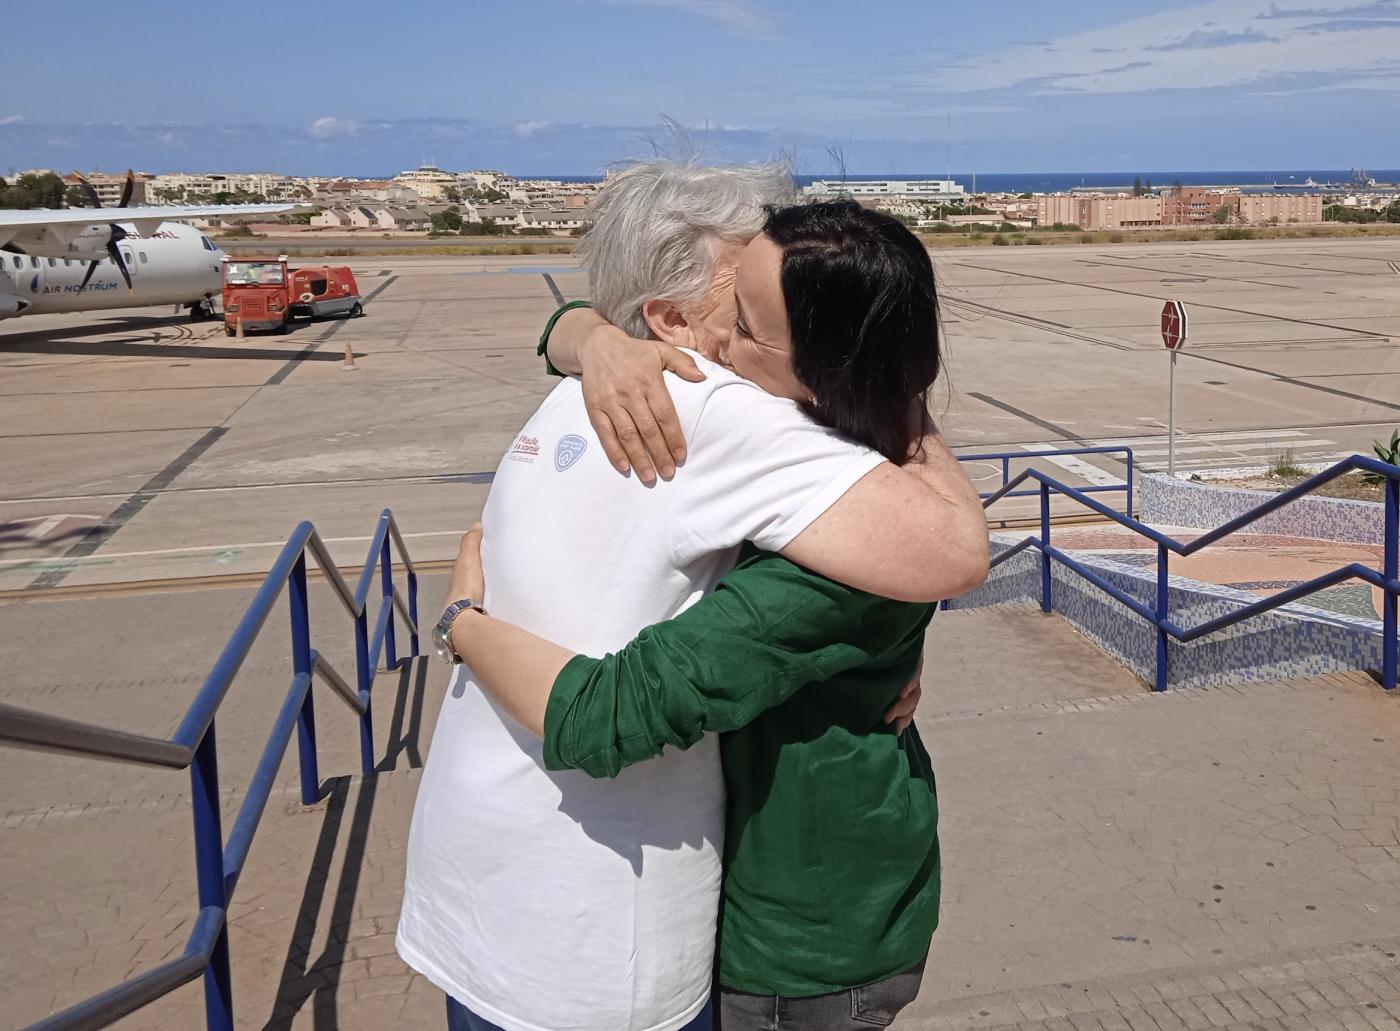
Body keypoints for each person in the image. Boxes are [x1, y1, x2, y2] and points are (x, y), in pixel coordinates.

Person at [396, 163, 987, 1031]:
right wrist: (461, 623)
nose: (737, 337)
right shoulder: (720, 409)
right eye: (740, 306)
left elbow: (937, 558)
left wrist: (587, 335)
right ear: (669, 321)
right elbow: (953, 547)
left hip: (480, 879)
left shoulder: (570, 402)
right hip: (604, 926)